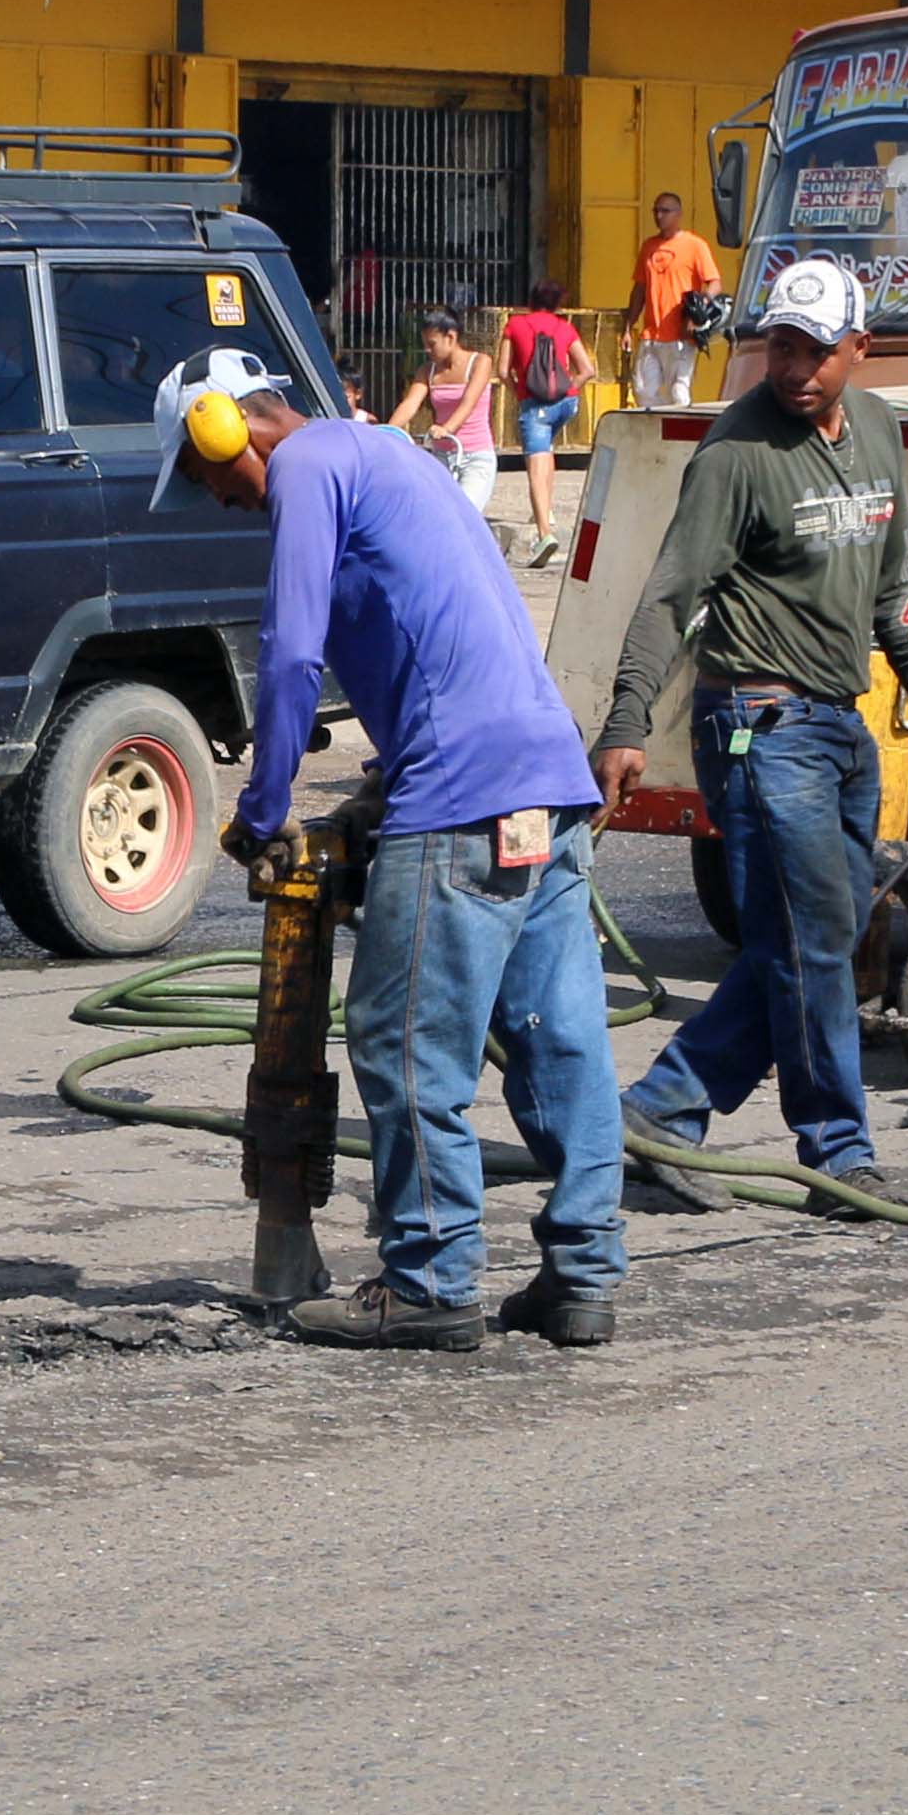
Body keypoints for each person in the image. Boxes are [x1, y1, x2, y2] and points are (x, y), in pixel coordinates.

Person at [167, 342, 626, 1351]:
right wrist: (375, 794)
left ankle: (428, 1280)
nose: (221, 504)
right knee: (559, 1039)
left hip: (459, 793)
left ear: (227, 429)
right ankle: (584, 1272)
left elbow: (288, 652)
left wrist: (265, 804)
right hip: (542, 780)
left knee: (402, 1034)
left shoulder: (305, 470)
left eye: (206, 479)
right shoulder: (393, 456)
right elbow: (443, 630)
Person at [591, 259, 908, 1190]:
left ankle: (657, 1112)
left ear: (860, 348)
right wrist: (626, 720)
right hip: (756, 729)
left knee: (815, 943)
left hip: (841, 728)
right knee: (811, 945)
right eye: (779, 348)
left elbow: (898, 587)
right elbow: (668, 598)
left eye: (815, 351)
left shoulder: (880, 432)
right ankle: (840, 1152)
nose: (795, 368)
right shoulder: (736, 455)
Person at [497, 283, 591, 570]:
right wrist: (569, 390)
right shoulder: (565, 327)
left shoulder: (515, 325)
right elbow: (587, 370)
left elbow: (502, 371)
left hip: (535, 405)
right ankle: (546, 513)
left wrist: (520, 393)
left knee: (535, 470)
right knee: (547, 451)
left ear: (530, 301)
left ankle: (544, 535)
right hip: (567, 405)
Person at [387, 310, 504, 524]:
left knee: (464, 517)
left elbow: (469, 402)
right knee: (434, 517)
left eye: (432, 344)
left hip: (475, 456)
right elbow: (411, 403)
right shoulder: (427, 370)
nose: (427, 350)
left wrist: (446, 428)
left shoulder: (480, 362)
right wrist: (388, 430)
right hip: (441, 457)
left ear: (451, 337)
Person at [627, 193, 725, 411]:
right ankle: (660, 430)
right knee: (643, 391)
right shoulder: (648, 247)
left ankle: (677, 436)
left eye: (665, 211)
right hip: (651, 335)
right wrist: (628, 326)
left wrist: (698, 310)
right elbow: (639, 289)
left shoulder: (695, 245)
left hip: (681, 336)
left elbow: (715, 283)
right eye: (656, 211)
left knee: (678, 393)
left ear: (678, 214)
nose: (659, 216)